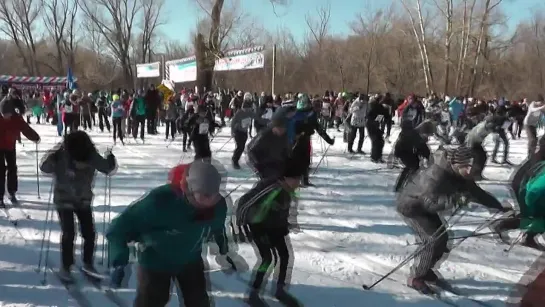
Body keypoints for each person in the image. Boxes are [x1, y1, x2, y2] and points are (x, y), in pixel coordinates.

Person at [107, 160, 243, 307]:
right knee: (152, 301)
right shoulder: (160, 201)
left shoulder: (218, 206)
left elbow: (217, 228)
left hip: (190, 260)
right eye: (204, 194)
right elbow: (118, 228)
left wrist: (224, 251)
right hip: (156, 261)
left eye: (214, 194)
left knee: (198, 302)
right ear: (190, 189)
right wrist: (119, 260)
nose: (211, 199)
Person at [396, 145, 509, 294]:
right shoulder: (435, 176)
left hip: (427, 206)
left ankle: (425, 269)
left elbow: (477, 193)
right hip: (412, 207)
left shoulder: (462, 175)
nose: (473, 174)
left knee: (442, 239)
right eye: (472, 170)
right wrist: (455, 200)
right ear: (461, 165)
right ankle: (416, 277)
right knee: (433, 240)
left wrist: (498, 206)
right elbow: (431, 204)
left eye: (476, 170)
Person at [39, 131, 117, 281]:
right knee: (70, 233)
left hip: (83, 199)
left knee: (89, 233)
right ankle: (67, 266)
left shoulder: (90, 155)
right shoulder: (62, 155)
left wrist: (110, 159)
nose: (79, 164)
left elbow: (107, 168)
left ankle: (87, 263)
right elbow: (44, 167)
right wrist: (52, 155)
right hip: (65, 199)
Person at [235, 157, 304, 306]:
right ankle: (253, 294)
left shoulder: (290, 190)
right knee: (267, 259)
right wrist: (240, 226)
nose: (299, 183)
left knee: (285, 256)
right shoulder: (270, 187)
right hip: (257, 225)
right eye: (297, 179)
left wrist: (288, 223)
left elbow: (287, 208)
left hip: (275, 226)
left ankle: (280, 290)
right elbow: (243, 203)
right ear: (286, 178)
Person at [0, 99, 40, 207]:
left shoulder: (16, 118)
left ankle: (12, 192)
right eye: (4, 114)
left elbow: (25, 129)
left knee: (12, 168)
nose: (6, 117)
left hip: (10, 145)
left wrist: (35, 137)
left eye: (8, 114)